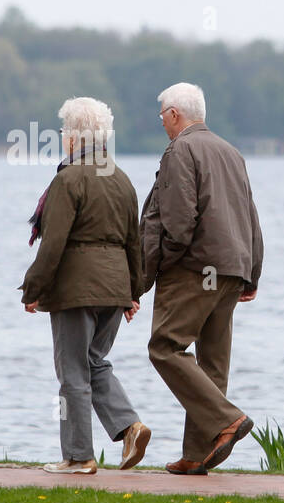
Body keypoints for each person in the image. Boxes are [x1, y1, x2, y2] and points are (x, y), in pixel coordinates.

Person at [19, 97, 151, 475]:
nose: (63, 138)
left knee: (73, 372)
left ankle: (79, 457)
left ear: (76, 136)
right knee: (94, 363)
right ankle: (130, 427)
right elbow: (133, 241)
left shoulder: (68, 178)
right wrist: (133, 291)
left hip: (77, 289)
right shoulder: (122, 179)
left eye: (64, 132)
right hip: (114, 289)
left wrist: (33, 289)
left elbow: (54, 242)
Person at [139, 82, 263, 475]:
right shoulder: (232, 152)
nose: (162, 124)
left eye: (162, 116)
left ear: (174, 114)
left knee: (165, 347)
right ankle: (197, 453)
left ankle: (227, 419)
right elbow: (250, 217)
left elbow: (178, 220)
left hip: (194, 268)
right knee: (213, 360)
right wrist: (252, 271)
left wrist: (163, 265)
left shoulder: (181, 150)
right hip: (232, 269)